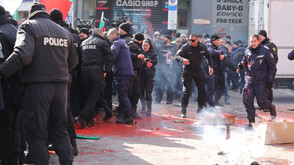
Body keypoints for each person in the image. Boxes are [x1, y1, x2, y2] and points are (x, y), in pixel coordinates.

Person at [0, 3, 78, 164]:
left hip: (37, 87)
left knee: (36, 133)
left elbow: (23, 54)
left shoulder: (28, 26)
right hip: (61, 87)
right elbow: (73, 61)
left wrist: (2, 71)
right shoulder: (63, 31)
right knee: (60, 131)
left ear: (30, 14)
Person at [49, 8, 80, 156]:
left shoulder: (53, 32)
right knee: (65, 109)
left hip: (57, 76)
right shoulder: (72, 34)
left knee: (60, 111)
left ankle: (68, 143)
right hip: (68, 75)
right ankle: (71, 143)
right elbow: (75, 59)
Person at [78, 29, 115, 128]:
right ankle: (82, 117)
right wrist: (106, 70)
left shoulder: (84, 42)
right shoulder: (102, 42)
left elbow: (79, 58)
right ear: (100, 34)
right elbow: (111, 57)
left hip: (84, 70)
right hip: (96, 70)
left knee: (89, 95)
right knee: (94, 95)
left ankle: (91, 119)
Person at [238, 34, 276, 129]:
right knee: (247, 100)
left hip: (261, 82)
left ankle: (271, 107)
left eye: (255, 41)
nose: (253, 43)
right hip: (249, 80)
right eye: (251, 41)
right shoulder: (247, 51)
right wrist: (242, 65)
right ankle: (251, 122)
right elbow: (245, 61)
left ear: (259, 41)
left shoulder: (266, 51)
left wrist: (270, 80)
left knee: (261, 102)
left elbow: (272, 67)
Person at [0, 5, 21, 164]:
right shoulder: (16, 29)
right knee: (14, 127)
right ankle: (16, 157)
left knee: (4, 130)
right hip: (18, 86)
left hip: (6, 88)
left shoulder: (1, 34)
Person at [175, 34, 213, 118]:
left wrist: (210, 66)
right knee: (186, 91)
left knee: (202, 90)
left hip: (198, 70)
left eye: (192, 40)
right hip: (187, 70)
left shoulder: (202, 47)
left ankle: (200, 107)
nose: (190, 42)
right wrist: (182, 60)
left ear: (197, 40)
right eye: (189, 40)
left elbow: (208, 56)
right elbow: (176, 56)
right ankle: (183, 110)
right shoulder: (185, 47)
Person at [107, 28, 134, 124]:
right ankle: (124, 115)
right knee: (124, 95)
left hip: (122, 73)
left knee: (123, 95)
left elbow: (112, 56)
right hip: (127, 72)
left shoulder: (116, 44)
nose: (108, 38)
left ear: (114, 35)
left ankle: (128, 117)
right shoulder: (123, 42)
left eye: (109, 36)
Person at [153, 34, 178, 104]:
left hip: (170, 69)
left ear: (168, 39)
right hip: (160, 69)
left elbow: (178, 57)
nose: (162, 38)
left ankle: (169, 100)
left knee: (170, 85)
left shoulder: (174, 47)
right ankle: (158, 99)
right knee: (159, 84)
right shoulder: (159, 46)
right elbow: (154, 53)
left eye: (164, 37)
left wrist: (173, 58)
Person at [128, 32, 145, 118]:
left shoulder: (136, 45)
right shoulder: (132, 45)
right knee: (133, 92)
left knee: (136, 92)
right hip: (133, 72)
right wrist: (137, 56)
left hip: (137, 71)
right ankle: (130, 111)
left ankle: (132, 110)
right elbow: (128, 54)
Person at [259, 30, 278, 103]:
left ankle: (268, 103)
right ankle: (263, 103)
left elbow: (274, 58)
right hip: (261, 70)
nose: (259, 38)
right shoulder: (260, 45)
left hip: (269, 70)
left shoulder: (270, 45)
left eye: (260, 36)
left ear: (263, 36)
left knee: (267, 87)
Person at [139, 39, 158, 116]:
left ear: (149, 46)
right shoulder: (140, 52)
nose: (145, 47)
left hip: (149, 75)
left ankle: (149, 109)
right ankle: (143, 107)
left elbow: (155, 61)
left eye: (146, 45)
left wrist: (150, 62)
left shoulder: (153, 53)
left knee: (148, 92)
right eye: (143, 45)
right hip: (141, 74)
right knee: (140, 92)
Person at [206, 34, 225, 107]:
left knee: (218, 86)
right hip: (209, 70)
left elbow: (225, 53)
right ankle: (208, 104)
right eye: (217, 40)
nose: (219, 41)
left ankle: (214, 101)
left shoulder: (218, 47)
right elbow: (212, 52)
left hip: (218, 71)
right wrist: (220, 53)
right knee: (210, 87)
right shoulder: (209, 46)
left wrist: (223, 55)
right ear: (213, 41)